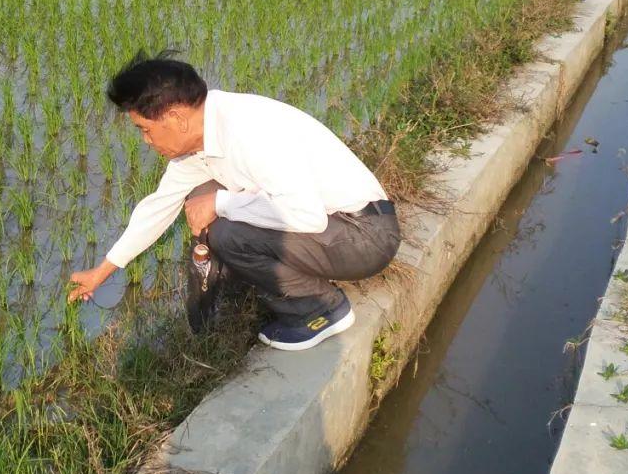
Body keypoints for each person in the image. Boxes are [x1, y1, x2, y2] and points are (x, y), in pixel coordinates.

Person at [67, 53, 399, 351]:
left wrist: (222, 203)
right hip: (338, 229)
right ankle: (290, 295)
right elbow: (159, 206)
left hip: (366, 235)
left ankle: (321, 311)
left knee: (226, 230)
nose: (145, 141)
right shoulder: (201, 140)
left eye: (145, 129)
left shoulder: (247, 132)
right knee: (212, 201)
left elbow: (306, 216)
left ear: (176, 118)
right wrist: (103, 271)